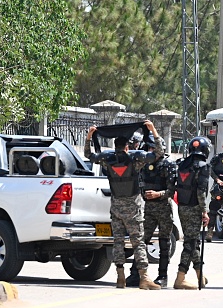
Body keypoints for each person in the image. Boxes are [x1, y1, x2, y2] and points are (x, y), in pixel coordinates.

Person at [85, 122, 161, 290]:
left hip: (116, 208)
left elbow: (88, 155)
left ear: (115, 147)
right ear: (127, 147)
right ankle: (144, 278)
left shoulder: (107, 160)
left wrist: (90, 135)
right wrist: (153, 131)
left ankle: (120, 276)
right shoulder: (135, 160)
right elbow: (158, 153)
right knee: (138, 242)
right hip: (133, 208)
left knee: (118, 242)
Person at [125, 137, 177, 288]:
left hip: (163, 208)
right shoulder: (144, 164)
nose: (150, 152)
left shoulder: (168, 165)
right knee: (141, 241)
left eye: (153, 149)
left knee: (164, 242)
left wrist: (158, 194)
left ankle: (162, 276)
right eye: (149, 149)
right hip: (148, 208)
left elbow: (171, 190)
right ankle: (136, 274)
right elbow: (139, 183)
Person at [174, 136, 211, 290]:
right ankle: (180, 277)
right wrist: (205, 211)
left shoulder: (182, 165)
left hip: (182, 207)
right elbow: (201, 192)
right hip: (195, 207)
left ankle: (199, 275)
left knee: (193, 240)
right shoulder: (203, 166)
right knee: (190, 243)